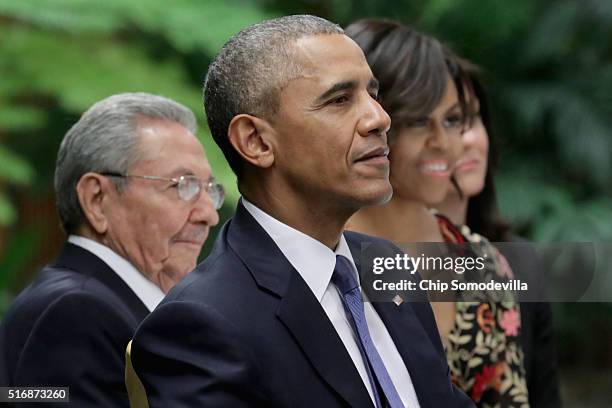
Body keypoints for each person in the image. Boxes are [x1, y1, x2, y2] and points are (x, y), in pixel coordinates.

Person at [127, 15, 473, 407]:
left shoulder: (387, 264)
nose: (380, 117)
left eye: (372, 94)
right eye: (340, 100)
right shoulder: (201, 323)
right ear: (256, 141)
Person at [345, 19, 530, 406]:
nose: (444, 143)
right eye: (416, 121)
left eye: (451, 120)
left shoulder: (482, 262)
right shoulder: (322, 259)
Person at [0, 92, 222, 407]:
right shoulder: (76, 310)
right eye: (182, 185)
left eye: (210, 190)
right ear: (97, 200)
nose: (209, 214)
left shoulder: (108, 304)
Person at [437, 60, 562, 407]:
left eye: (472, 119)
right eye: (449, 122)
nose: (469, 140)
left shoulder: (518, 261)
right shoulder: (364, 264)